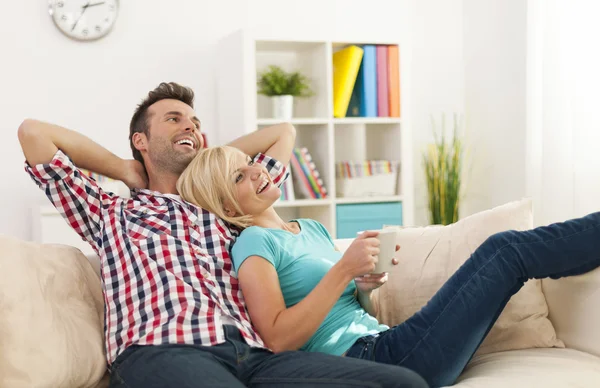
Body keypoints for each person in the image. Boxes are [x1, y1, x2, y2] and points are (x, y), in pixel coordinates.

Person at [18, 82, 428, 388]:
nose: (191, 128)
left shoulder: (226, 205)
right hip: (164, 351)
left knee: (404, 383)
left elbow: (283, 133)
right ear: (140, 141)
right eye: (174, 119)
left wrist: (207, 163)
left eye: (196, 124)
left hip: (253, 356)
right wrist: (125, 169)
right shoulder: (113, 211)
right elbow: (33, 134)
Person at [177, 144, 600, 388]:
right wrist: (342, 270)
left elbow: (359, 311)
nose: (256, 172)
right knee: (504, 252)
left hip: (389, 341)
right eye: (238, 177)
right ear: (225, 203)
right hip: (376, 360)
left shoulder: (307, 227)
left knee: (505, 255)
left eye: (249, 162)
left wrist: (364, 284)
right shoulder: (253, 243)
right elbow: (278, 338)